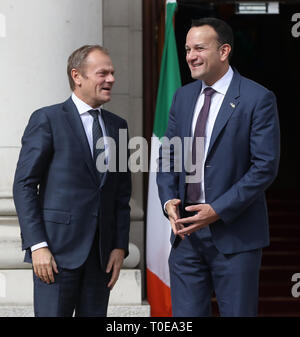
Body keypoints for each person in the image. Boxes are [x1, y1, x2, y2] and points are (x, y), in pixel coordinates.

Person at [157, 18, 280, 317]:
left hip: (235, 236)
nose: (190, 56)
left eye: (199, 48)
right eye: (187, 49)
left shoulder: (258, 98)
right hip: (186, 236)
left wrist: (218, 209)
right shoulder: (182, 97)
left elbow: (264, 166)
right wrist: (168, 199)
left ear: (224, 51)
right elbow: (169, 157)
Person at [13, 45, 131, 317]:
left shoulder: (118, 126)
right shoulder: (47, 119)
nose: (111, 79)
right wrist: (37, 245)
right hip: (54, 255)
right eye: (103, 73)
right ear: (77, 76)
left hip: (100, 258)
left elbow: (121, 193)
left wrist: (119, 245)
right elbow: (24, 185)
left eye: (112, 73)